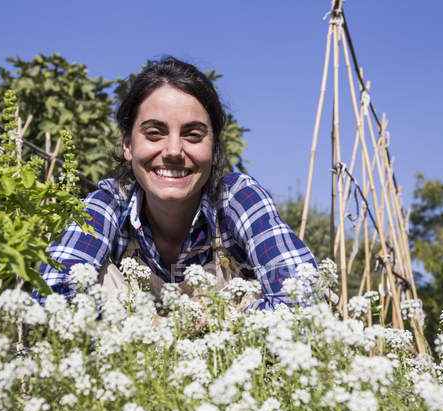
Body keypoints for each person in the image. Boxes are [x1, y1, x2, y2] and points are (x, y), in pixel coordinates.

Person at [34, 57, 317, 310]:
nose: (172, 151)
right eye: (154, 133)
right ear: (128, 146)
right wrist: (147, 328)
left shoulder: (237, 199)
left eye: (192, 135)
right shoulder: (107, 204)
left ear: (214, 149)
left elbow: (305, 301)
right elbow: (50, 299)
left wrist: (217, 321)